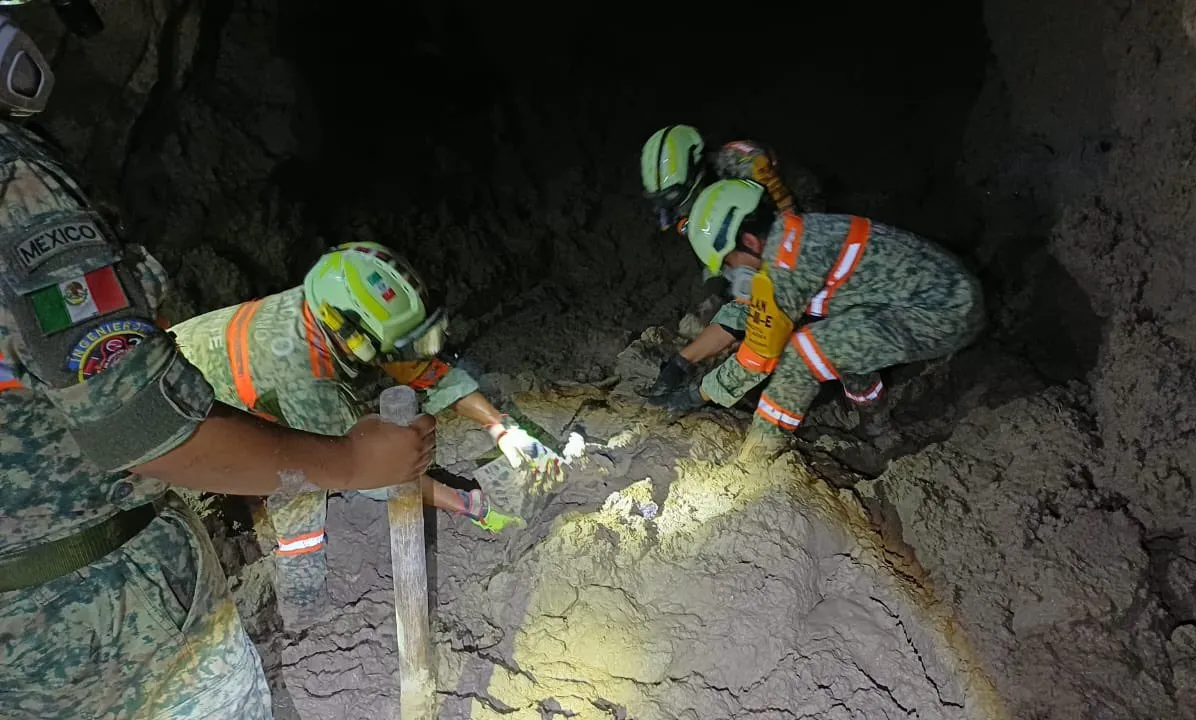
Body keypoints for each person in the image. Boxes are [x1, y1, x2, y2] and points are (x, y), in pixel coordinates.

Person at [0, 10, 435, 720]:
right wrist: (374, 465)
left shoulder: (307, 316)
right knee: (304, 492)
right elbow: (154, 431)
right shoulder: (14, 185)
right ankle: (301, 594)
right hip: (99, 629)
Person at [169, 240, 563, 629]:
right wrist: (470, 505)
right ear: (352, 336)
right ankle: (304, 605)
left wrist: (503, 429)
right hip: (175, 416)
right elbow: (373, 474)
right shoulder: (304, 377)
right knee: (302, 483)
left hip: (204, 368)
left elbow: (420, 370)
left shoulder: (323, 312)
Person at [650, 178, 985, 459]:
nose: (730, 271)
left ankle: (758, 456)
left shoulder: (787, 263)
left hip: (944, 312)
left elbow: (759, 355)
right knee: (842, 340)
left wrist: (697, 395)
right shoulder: (789, 237)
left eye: (729, 262)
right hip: (941, 296)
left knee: (804, 353)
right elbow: (748, 312)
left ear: (749, 241)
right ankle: (878, 429)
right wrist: (682, 362)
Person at [639, 124, 825, 399]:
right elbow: (709, 242)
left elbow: (790, 230)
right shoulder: (690, 201)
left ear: (697, 170)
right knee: (733, 294)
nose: (678, 210)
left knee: (780, 311)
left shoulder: (747, 165)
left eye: (680, 199)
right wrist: (680, 363)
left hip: (794, 224)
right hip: (750, 233)